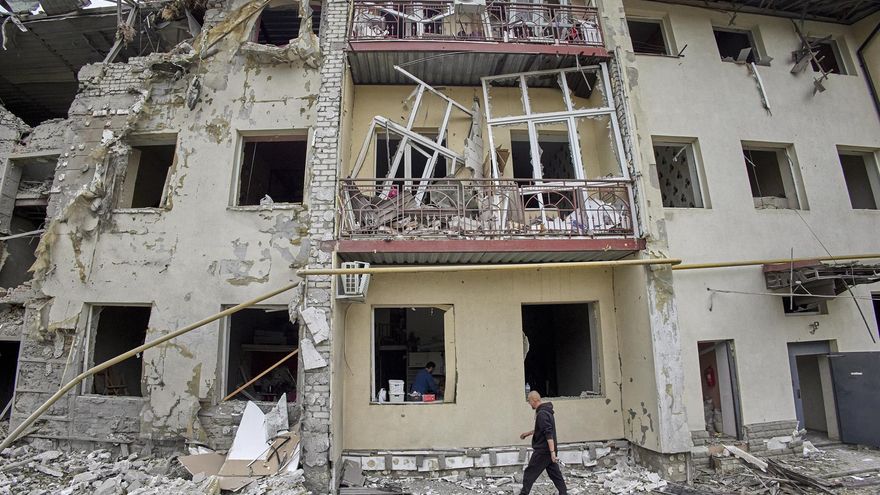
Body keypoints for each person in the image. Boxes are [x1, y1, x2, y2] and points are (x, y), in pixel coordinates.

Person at [518, 391, 567, 495]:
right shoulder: (546, 412)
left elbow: (548, 433)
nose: (529, 403)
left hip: (543, 451)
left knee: (529, 473)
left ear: (534, 400)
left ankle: (523, 493)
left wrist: (552, 452)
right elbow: (541, 429)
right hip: (548, 451)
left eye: (529, 401)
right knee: (555, 474)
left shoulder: (542, 414)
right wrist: (527, 433)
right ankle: (564, 493)